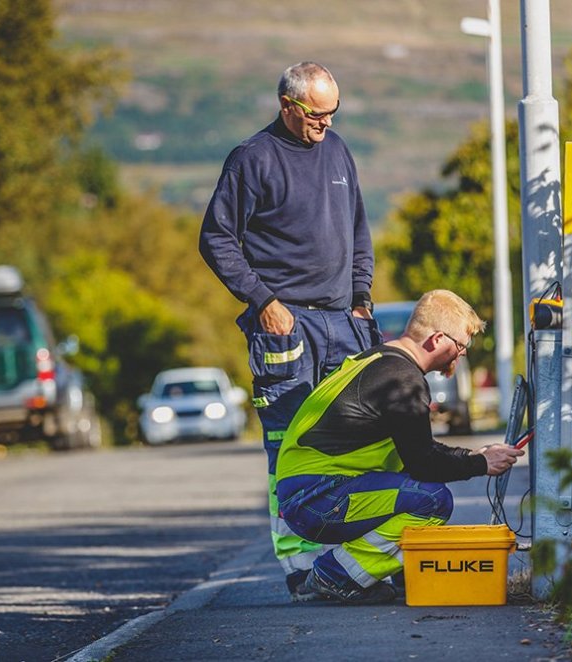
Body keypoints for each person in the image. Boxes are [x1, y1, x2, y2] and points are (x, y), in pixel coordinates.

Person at [199, 61, 380, 601]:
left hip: (345, 324)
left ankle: (344, 568)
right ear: (287, 105)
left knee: (352, 445)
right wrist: (263, 302)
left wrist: (363, 300)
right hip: (285, 326)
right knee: (288, 446)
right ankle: (302, 570)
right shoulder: (252, 160)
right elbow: (216, 240)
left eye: (333, 113)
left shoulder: (339, 152)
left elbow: (359, 232)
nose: (325, 124)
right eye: (316, 114)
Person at [275, 290, 525, 605]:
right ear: (437, 340)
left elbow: (418, 450)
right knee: (432, 500)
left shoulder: (379, 361)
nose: (461, 354)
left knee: (413, 485)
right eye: (461, 345)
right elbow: (424, 463)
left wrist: (476, 456)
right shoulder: (402, 380)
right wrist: (480, 465)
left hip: (309, 493)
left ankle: (387, 574)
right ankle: (336, 575)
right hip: (316, 499)